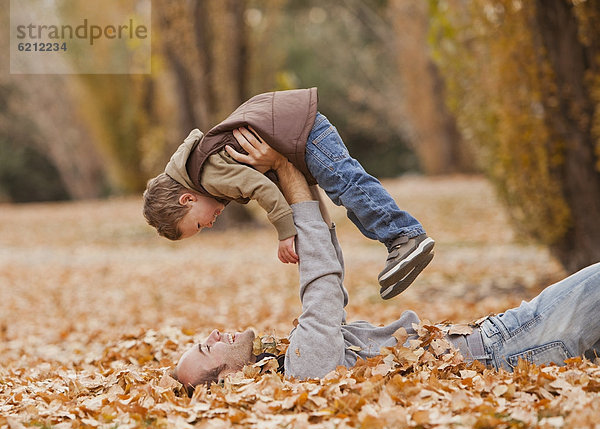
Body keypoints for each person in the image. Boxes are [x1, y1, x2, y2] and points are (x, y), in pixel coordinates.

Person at [173, 132, 600, 390]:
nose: (212, 334)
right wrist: (285, 168)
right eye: (207, 347)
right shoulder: (305, 369)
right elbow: (322, 281)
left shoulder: (296, 361)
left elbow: (327, 263)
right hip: (507, 347)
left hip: (501, 340)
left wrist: (297, 173)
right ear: (229, 381)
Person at [143, 88, 434, 299]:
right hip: (298, 135)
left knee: (347, 184)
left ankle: (404, 236)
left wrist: (284, 233)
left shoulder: (208, 174)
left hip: (302, 133)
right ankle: (375, 260)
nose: (209, 225)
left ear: (187, 199)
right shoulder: (204, 171)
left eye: (198, 224)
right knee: (340, 193)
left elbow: (263, 189)